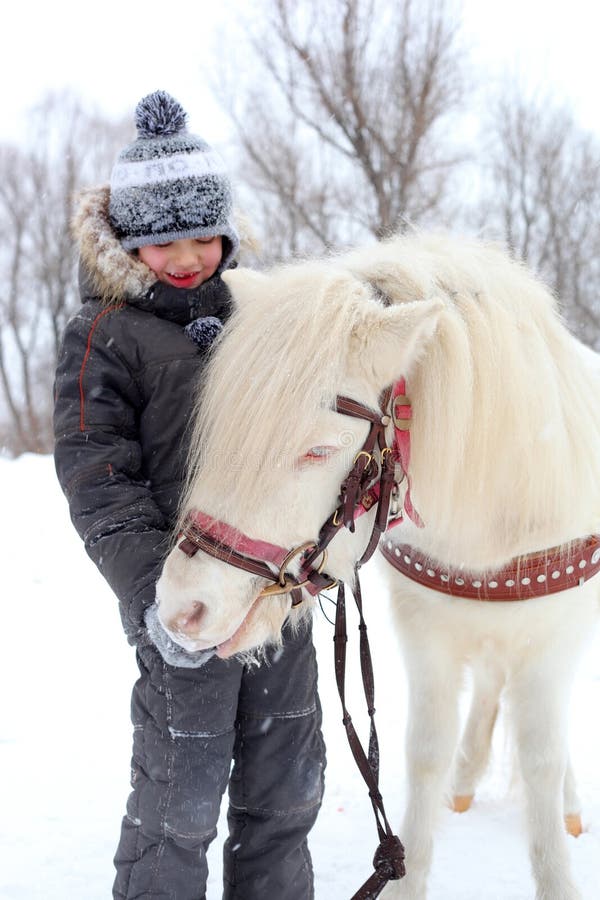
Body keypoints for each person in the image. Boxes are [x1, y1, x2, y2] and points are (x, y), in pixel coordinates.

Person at [53, 91, 325, 900]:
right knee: (178, 807)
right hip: (187, 609)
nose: (186, 257)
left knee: (287, 794)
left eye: (203, 235)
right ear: (130, 243)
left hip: (276, 600)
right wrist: (153, 600)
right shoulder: (103, 333)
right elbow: (98, 479)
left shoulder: (264, 318)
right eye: (162, 240)